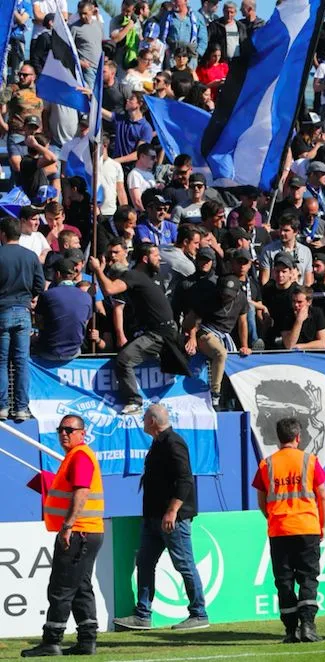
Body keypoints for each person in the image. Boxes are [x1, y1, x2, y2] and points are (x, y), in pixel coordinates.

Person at [114, 405, 210, 631]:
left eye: (145, 418)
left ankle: (199, 613)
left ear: (153, 421)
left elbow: (185, 479)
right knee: (145, 563)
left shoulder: (173, 442)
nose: (143, 422)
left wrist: (172, 510)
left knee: (184, 564)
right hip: (153, 518)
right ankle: (143, 615)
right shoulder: (159, 443)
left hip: (171, 519)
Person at [20, 415, 104, 657]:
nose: (64, 433)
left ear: (82, 433)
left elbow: (81, 493)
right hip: (87, 531)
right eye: (60, 430)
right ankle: (87, 641)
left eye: (69, 429)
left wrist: (67, 526)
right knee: (80, 587)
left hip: (78, 531)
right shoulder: (76, 457)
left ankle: (52, 641)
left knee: (61, 587)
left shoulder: (79, 456)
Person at [253, 417, 325, 644]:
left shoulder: (267, 464)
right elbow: (322, 496)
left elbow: (262, 498)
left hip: (280, 530)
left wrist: (272, 516)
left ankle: (290, 630)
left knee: (284, 581)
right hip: (307, 528)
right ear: (298, 437)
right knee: (308, 578)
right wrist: (322, 524)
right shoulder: (310, 461)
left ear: (279, 438)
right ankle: (308, 625)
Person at [87, 245, 176, 415]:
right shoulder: (135, 275)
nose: (160, 259)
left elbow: (109, 289)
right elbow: (111, 290)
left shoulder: (141, 276)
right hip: (159, 332)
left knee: (123, 360)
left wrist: (98, 269)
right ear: (144, 258)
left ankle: (134, 401)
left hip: (160, 334)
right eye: (156, 255)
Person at [0, 217, 45, 421]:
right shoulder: (31, 256)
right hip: (23, 311)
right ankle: (20, 407)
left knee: (1, 362)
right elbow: (39, 284)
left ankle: (1, 407)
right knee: (21, 362)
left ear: (2, 234)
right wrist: (30, 297)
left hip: (2, 310)